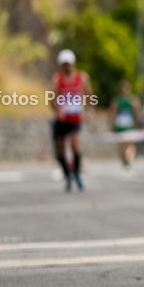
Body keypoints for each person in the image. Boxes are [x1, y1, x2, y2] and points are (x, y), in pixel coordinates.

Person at [51, 49, 93, 192]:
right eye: (64, 64)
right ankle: (67, 176)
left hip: (75, 118)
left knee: (75, 147)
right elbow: (52, 99)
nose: (66, 66)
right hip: (62, 120)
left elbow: (89, 95)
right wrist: (58, 111)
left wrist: (89, 111)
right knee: (60, 152)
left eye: (68, 64)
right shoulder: (57, 80)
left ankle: (77, 174)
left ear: (73, 64)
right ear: (61, 65)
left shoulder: (82, 77)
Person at [109, 81, 140, 170]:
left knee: (130, 144)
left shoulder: (133, 99)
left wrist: (138, 121)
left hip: (130, 125)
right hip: (120, 126)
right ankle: (124, 160)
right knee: (121, 145)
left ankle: (128, 159)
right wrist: (111, 124)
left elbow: (137, 112)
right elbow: (112, 113)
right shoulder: (116, 100)